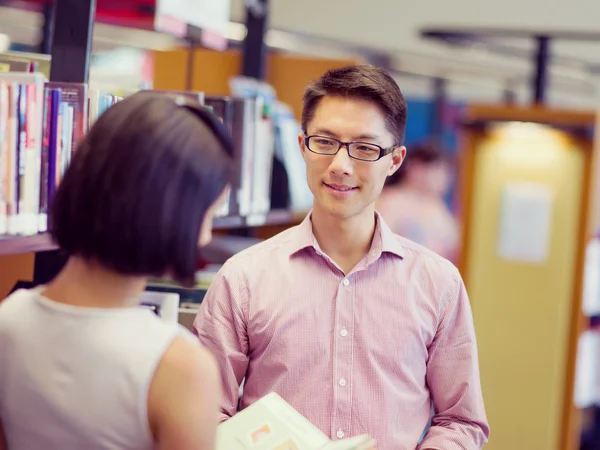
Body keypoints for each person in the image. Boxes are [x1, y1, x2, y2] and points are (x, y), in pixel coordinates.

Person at [194, 64, 490, 450]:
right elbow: (203, 413)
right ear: (302, 145)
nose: (340, 165)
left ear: (395, 161)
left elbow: (461, 420)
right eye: (325, 142)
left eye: (365, 148)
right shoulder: (243, 278)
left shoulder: (439, 284)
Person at [0, 92, 234, 450]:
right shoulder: (179, 365)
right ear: (170, 212)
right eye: (208, 214)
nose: (204, 235)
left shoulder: (9, 319)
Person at [376, 142, 460, 262]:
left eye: (446, 171)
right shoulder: (391, 200)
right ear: (415, 168)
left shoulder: (438, 206)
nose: (444, 177)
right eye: (438, 169)